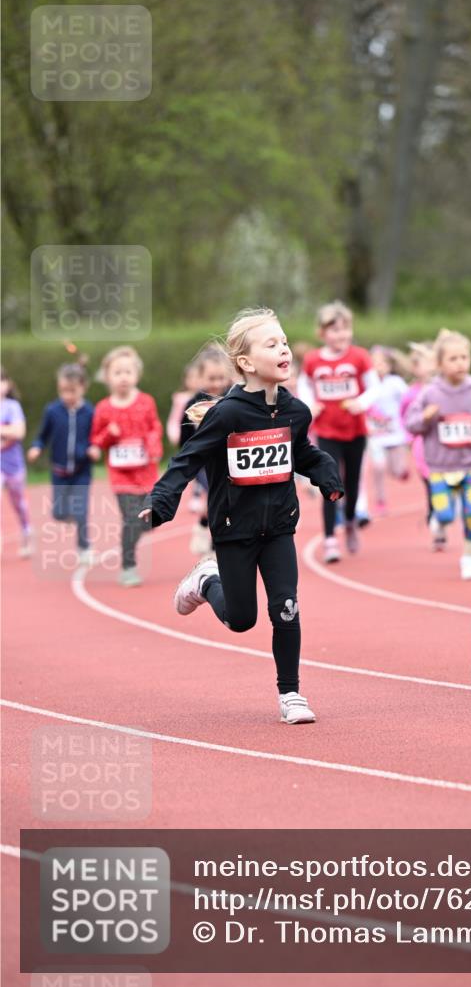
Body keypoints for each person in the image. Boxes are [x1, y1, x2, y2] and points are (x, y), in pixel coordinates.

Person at [138, 308, 343, 725]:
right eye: (272, 344)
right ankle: (206, 580)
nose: (284, 348)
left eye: (284, 341)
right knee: (241, 619)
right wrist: (162, 501)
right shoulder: (227, 415)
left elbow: (301, 452)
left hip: (280, 525)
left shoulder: (295, 412)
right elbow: (188, 460)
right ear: (246, 363)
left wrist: (325, 474)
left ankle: (291, 695)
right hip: (235, 529)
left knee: (286, 608)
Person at [405, 330, 471, 576]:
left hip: (469, 463)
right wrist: (426, 417)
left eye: (464, 357)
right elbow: (410, 423)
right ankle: (439, 521)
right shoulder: (431, 392)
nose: (461, 363)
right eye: (453, 358)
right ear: (440, 364)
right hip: (440, 467)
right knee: (445, 513)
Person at [299, 301, 381, 563]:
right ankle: (330, 539)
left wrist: (362, 403)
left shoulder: (359, 356)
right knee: (329, 482)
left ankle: (349, 523)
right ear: (322, 333)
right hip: (327, 431)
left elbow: (374, 387)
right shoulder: (313, 359)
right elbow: (304, 383)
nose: (341, 335)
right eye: (334, 330)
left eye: (345, 329)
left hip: (355, 430)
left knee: (353, 484)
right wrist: (310, 403)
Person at [89, 346, 163, 587]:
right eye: (117, 372)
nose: (123, 377)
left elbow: (154, 427)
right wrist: (108, 436)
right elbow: (96, 439)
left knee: (151, 520)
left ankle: (132, 545)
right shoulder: (103, 408)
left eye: (127, 371)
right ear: (107, 376)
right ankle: (128, 566)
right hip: (121, 476)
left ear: (136, 375)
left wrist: (153, 446)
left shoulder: (146, 402)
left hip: (146, 473)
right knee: (131, 519)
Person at [27, 363, 95, 565]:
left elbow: (96, 437)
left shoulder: (90, 412)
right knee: (58, 513)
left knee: (81, 511)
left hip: (82, 471)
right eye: (63, 391)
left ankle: (84, 547)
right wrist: (36, 447)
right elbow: (42, 436)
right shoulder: (53, 410)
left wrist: (94, 448)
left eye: (72, 391)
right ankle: (71, 518)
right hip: (59, 471)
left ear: (83, 387)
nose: (67, 396)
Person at [179, 346, 233, 555]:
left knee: (222, 501)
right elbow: (185, 437)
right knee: (217, 497)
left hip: (228, 460)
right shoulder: (193, 404)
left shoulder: (233, 400)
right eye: (211, 378)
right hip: (202, 462)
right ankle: (214, 547)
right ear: (200, 377)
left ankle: (203, 522)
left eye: (221, 378)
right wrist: (187, 461)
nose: (217, 383)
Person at [366, 346, 410, 514]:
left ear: (390, 366)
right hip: (375, 435)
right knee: (378, 467)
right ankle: (381, 500)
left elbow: (408, 401)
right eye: (374, 363)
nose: (378, 367)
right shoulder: (367, 384)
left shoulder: (395, 383)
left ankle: (402, 471)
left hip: (396, 434)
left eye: (382, 363)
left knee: (396, 470)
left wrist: (408, 422)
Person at [400, 342, 436, 528]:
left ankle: (439, 511)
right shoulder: (410, 393)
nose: (427, 367)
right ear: (414, 368)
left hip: (440, 441)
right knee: (428, 476)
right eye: (422, 363)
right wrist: (409, 437)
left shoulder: (442, 388)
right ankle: (433, 512)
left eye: (430, 362)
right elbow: (404, 416)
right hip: (420, 441)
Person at [0, 367, 31, 557]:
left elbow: (19, 432)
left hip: (13, 465)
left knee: (18, 502)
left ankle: (26, 530)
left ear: (7, 384)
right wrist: (7, 430)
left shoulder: (12, 407)